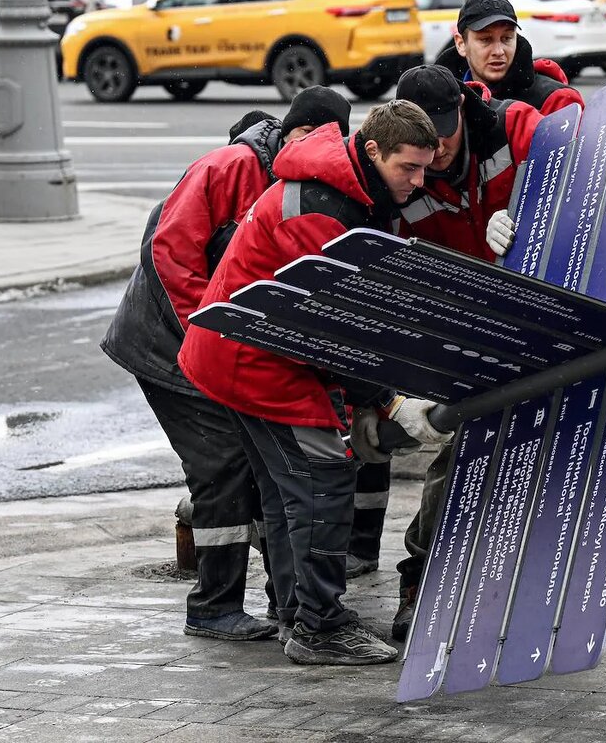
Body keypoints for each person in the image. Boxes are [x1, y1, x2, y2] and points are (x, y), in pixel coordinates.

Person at [178, 100, 455, 666]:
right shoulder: (322, 214)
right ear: (373, 152)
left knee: (288, 492)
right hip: (253, 362)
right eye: (409, 168)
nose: (418, 181)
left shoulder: (350, 189)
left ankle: (295, 612)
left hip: (249, 351)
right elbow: (335, 327)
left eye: (426, 168)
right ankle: (320, 626)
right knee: (325, 478)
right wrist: (387, 398)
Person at [100, 87, 352, 644]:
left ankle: (279, 600)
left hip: (209, 346)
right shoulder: (231, 166)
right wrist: (213, 336)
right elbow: (170, 252)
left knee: (252, 466)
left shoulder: (293, 188)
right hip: (167, 346)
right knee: (223, 467)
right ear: (295, 133)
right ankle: (213, 606)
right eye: (314, 138)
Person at [390, 64, 545, 641]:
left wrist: (533, 214)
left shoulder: (508, 127)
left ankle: (503, 579)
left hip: (529, 312)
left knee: (530, 449)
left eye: (446, 130)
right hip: (456, 324)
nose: (439, 146)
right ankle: (422, 572)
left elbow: (579, 156)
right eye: (426, 138)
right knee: (462, 447)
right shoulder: (402, 174)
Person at [436, 0, 584, 116]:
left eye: (506, 38)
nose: (499, 51)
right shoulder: (438, 98)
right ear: (461, 44)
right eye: (486, 40)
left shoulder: (554, 100)